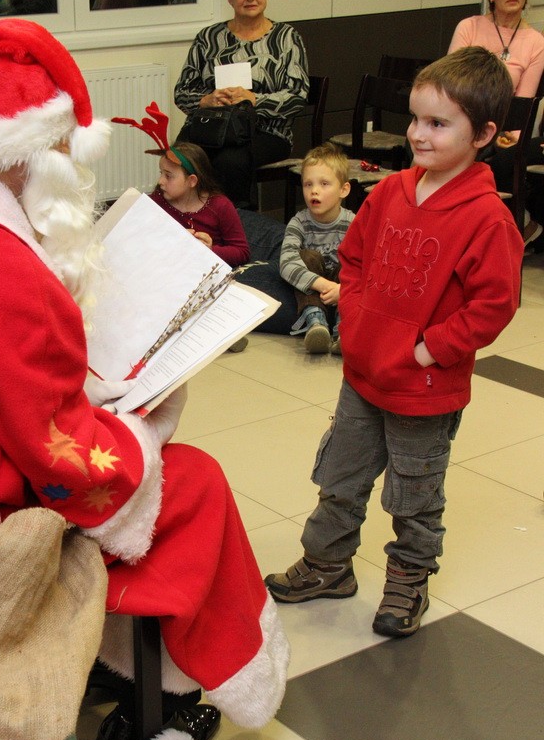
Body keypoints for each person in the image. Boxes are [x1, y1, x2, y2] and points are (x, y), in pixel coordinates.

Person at [0, 19, 289, 740]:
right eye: (67, 155)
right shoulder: (1, 266)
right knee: (192, 483)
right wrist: (143, 423)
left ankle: (116, 661)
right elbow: (65, 463)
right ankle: (163, 695)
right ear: (28, 157)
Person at [265, 47, 524, 639]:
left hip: (424, 388)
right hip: (363, 375)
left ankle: (408, 578)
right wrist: (357, 320)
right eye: (415, 118)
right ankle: (328, 565)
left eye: (438, 123)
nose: (417, 134)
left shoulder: (488, 219)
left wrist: (431, 348)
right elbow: (353, 258)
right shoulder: (389, 192)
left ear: (484, 134)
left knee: (414, 494)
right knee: (340, 477)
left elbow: (494, 305)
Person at [174, 0, 309, 208]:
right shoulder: (209, 38)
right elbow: (182, 92)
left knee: (229, 161)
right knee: (180, 158)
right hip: (213, 126)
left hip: (266, 131)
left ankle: (235, 224)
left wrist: (253, 100)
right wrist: (207, 100)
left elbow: (297, 95)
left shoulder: (286, 38)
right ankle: (183, 222)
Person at [448, 0, 544, 240]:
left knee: (502, 158)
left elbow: (523, 103)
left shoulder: (536, 42)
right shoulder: (469, 27)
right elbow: (451, 84)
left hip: (505, 129)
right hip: (463, 120)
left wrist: (507, 134)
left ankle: (505, 227)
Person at [280, 143, 353, 355]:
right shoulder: (299, 222)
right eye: (308, 184)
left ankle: (343, 329)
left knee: (350, 262)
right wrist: (323, 285)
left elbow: (367, 265)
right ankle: (316, 324)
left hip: (342, 292)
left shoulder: (354, 223)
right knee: (306, 257)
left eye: (324, 184)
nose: (314, 190)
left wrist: (343, 291)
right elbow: (286, 263)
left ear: (343, 190)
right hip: (314, 291)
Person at [151, 141, 250, 267]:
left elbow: (242, 252)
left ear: (192, 181)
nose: (160, 181)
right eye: (161, 173)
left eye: (168, 176)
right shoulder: (157, 201)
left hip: (207, 270)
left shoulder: (220, 205)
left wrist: (209, 250)